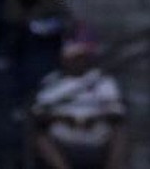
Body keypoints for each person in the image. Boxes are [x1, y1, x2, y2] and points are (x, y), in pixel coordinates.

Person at [32, 32, 128, 169]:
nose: (76, 62)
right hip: (63, 137)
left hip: (96, 136)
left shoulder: (101, 80)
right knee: (40, 137)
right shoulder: (52, 81)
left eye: (80, 57)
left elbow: (117, 112)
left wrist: (96, 119)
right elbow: (39, 113)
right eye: (72, 58)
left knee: (120, 132)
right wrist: (63, 118)